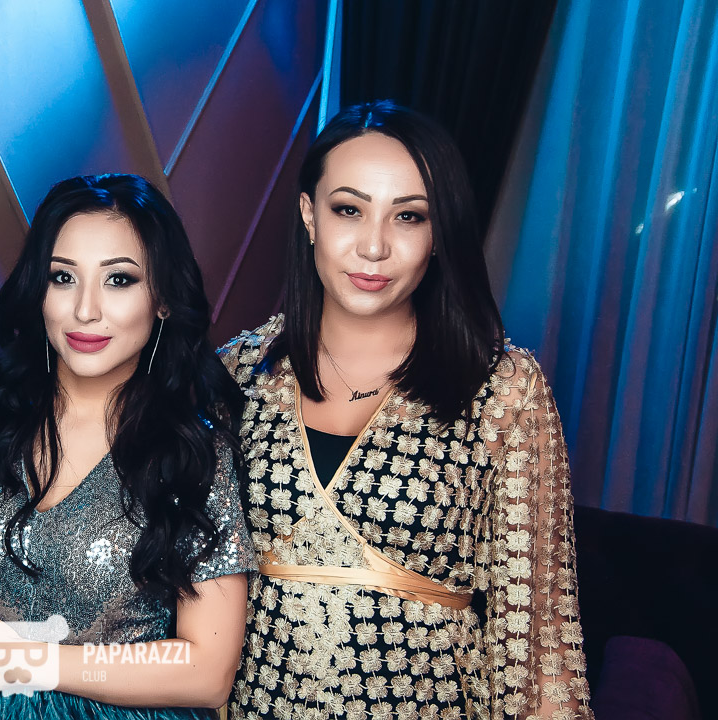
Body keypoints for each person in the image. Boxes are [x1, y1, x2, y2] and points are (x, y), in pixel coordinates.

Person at [222, 101, 592, 719]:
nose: (374, 246)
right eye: (348, 210)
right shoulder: (238, 375)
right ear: (309, 215)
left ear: (439, 233)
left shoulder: (501, 390)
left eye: (409, 216)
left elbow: (537, 631)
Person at [0, 174, 256, 719]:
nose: (85, 309)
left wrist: (24, 662)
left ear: (163, 301)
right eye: (63, 277)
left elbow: (208, 673)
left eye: (119, 280)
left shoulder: (191, 454)